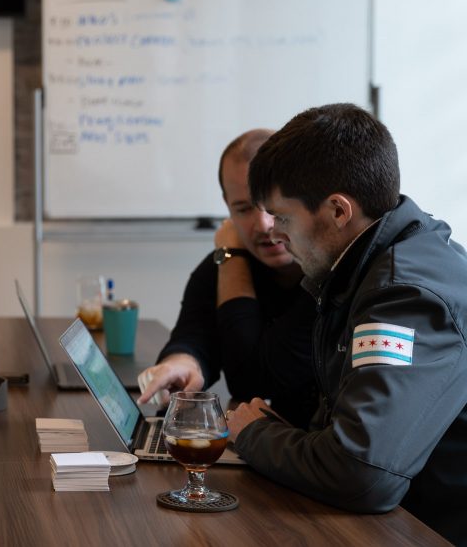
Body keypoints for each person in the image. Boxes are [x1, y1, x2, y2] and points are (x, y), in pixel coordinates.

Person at [229, 103, 467, 545]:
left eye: (282, 216)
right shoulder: (371, 268)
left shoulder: (404, 298)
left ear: (339, 211)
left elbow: (361, 472)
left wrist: (256, 435)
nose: (274, 232)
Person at [137, 129, 318, 429]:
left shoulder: (328, 273)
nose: (263, 225)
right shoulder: (217, 264)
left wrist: (232, 254)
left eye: (272, 206)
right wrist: (182, 363)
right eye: (243, 209)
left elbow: (252, 381)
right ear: (226, 205)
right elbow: (194, 333)